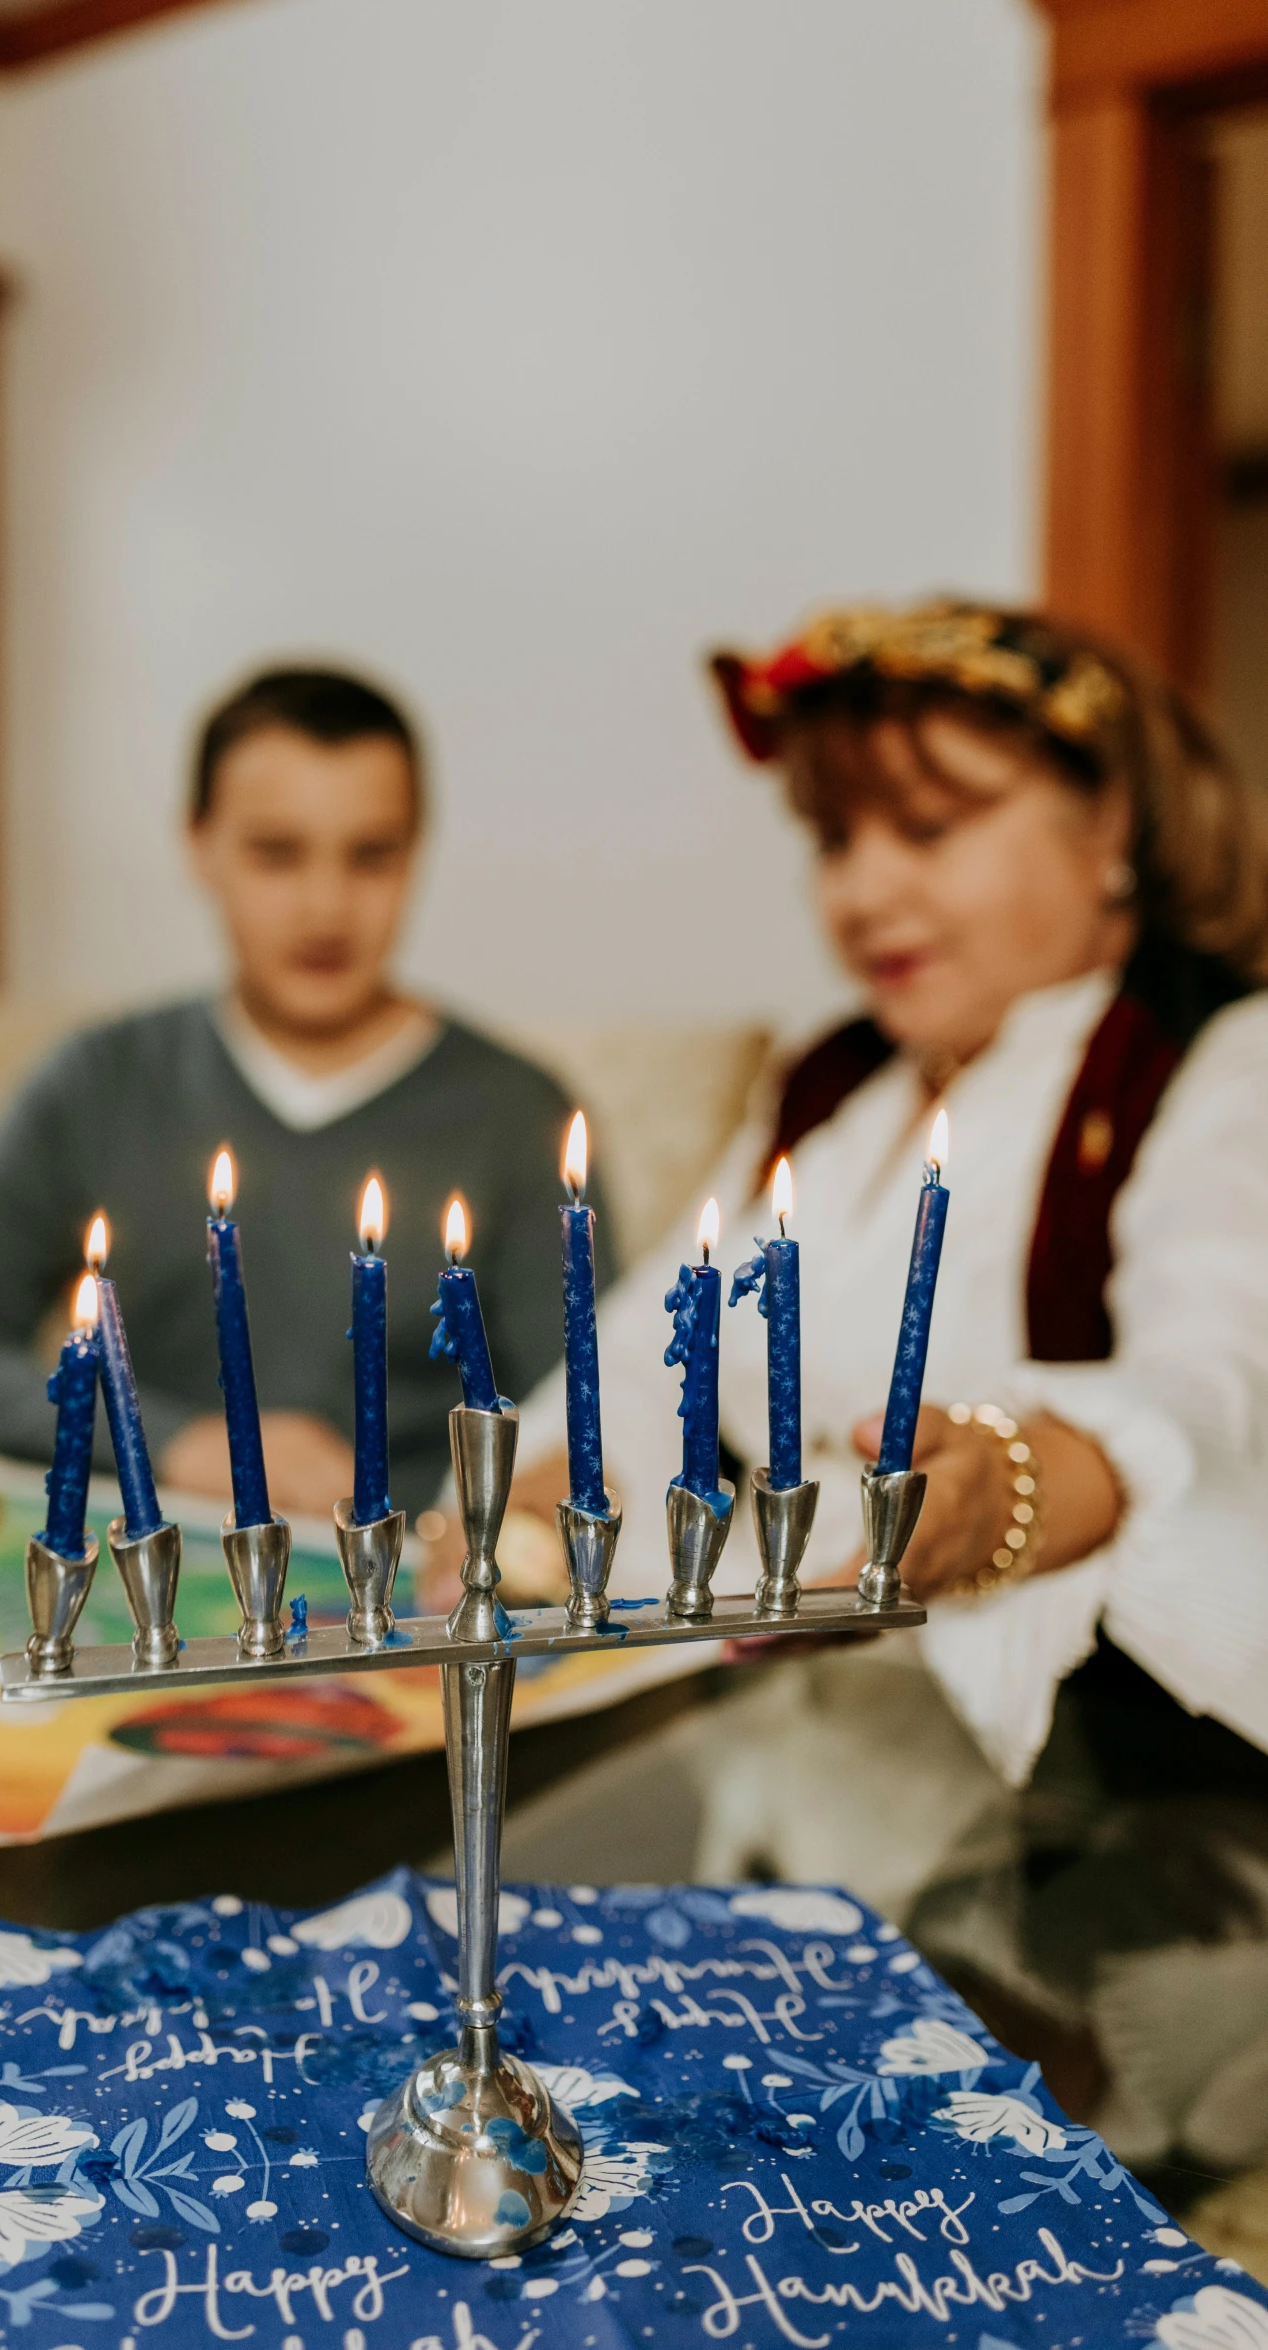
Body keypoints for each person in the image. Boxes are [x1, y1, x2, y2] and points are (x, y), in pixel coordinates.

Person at [506, 599, 1268, 2159]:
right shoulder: (830, 1085)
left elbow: (1217, 1363)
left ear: (1108, 817)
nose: (863, 890)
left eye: (929, 825)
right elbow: (660, 1339)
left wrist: (1036, 1472)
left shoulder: (1210, 1060)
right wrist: (542, 1484)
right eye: (834, 836)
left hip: (1132, 1807)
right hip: (817, 1764)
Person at [0, 665, 610, 1521]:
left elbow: (590, 1426)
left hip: (405, 1586)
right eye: (276, 854)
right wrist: (178, 1442)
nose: (326, 908)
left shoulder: (516, 1112)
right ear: (198, 847)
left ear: (416, 854)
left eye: (371, 856)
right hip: (148, 1571)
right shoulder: (100, 1081)